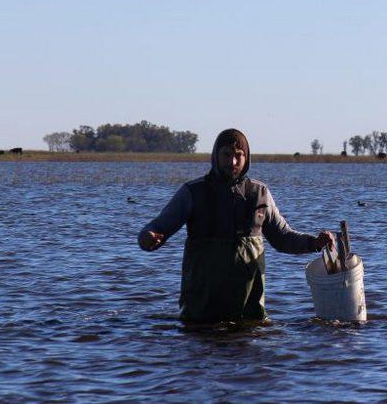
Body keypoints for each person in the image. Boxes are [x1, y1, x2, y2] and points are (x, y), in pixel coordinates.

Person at [137, 128, 334, 323]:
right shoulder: (192, 192)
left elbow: (282, 237)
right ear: (215, 156)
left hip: (249, 308)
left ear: (246, 158)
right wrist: (148, 238)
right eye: (226, 155)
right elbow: (157, 227)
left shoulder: (259, 193)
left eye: (238, 156)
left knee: (250, 345)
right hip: (201, 306)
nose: (232, 162)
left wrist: (315, 243)